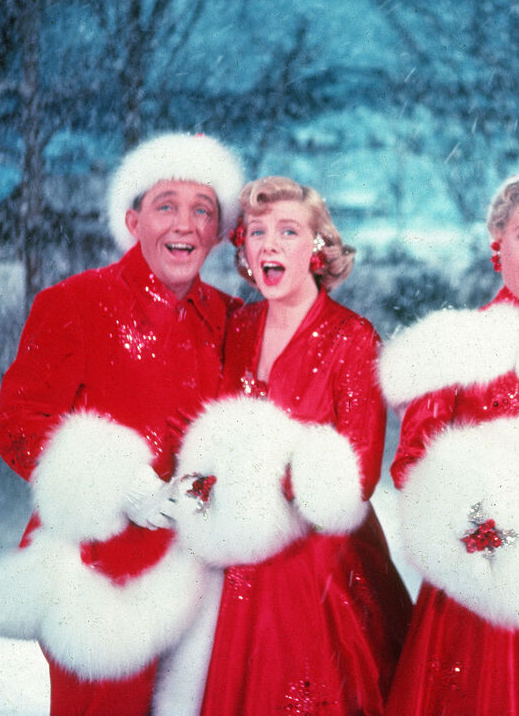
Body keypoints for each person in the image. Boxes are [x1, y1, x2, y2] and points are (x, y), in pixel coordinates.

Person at [0, 132, 245, 716]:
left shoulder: (231, 319)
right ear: (132, 220)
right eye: (165, 206)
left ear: (217, 231)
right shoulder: (74, 303)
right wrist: (116, 483)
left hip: (201, 577)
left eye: (201, 209)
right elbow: (17, 420)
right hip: (101, 576)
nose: (184, 224)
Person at [163, 176, 412, 716]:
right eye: (257, 232)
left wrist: (264, 479)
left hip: (319, 558)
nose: (270, 244)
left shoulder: (353, 337)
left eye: (288, 231)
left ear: (318, 249)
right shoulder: (239, 324)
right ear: (245, 250)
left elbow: (361, 471)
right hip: (237, 554)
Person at [377, 172, 519, 716]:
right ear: (496, 244)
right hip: (474, 579)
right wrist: (476, 523)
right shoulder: (455, 344)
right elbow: (412, 464)